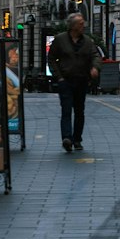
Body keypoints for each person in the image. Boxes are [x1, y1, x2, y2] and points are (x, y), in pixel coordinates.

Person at [46, 13, 103, 152]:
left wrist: (95, 67)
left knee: (79, 111)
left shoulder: (88, 41)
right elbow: (51, 58)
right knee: (66, 110)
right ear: (72, 26)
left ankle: (77, 139)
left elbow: (95, 55)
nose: (83, 25)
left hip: (82, 80)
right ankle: (67, 138)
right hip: (65, 80)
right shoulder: (60, 39)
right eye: (80, 23)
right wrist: (58, 76)